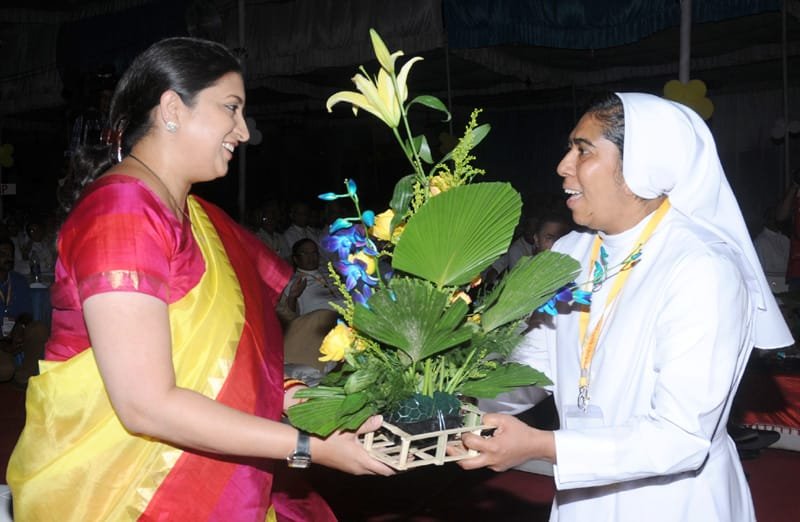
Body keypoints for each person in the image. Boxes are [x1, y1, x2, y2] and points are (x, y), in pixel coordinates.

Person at [6, 37, 392, 522]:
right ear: (172, 108)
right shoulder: (122, 212)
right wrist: (307, 446)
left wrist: (330, 407)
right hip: (128, 492)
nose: (244, 131)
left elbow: (238, 366)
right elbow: (146, 405)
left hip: (202, 472)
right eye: (231, 108)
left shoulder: (201, 220)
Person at [457, 93, 792, 521]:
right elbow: (531, 367)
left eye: (583, 150)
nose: (563, 165)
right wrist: (451, 408)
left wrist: (543, 445)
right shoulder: (571, 252)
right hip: (583, 493)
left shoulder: (702, 265)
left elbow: (681, 436)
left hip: (674, 501)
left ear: (641, 165)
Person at [0, 238, 48, 388]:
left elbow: (27, 313)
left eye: (11, 254)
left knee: (38, 329)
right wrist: (3, 342)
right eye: (3, 254)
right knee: (5, 370)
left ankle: (25, 377)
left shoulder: (18, 280)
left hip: (14, 335)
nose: (9, 258)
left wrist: (19, 329)